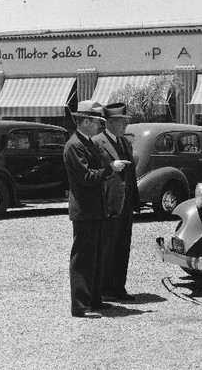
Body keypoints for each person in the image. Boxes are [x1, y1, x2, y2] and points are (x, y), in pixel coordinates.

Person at [64, 100, 127, 319]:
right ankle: (80, 306)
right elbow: (86, 176)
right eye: (97, 121)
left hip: (94, 208)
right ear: (86, 121)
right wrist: (109, 169)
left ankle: (94, 299)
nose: (100, 126)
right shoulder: (74, 145)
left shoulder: (86, 142)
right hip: (84, 210)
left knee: (95, 256)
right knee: (82, 258)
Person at [93, 102, 140, 302]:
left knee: (122, 246)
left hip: (126, 204)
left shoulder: (124, 143)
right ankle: (105, 289)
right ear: (110, 122)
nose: (125, 126)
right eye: (122, 122)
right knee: (107, 247)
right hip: (109, 204)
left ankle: (119, 287)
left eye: (125, 122)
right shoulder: (97, 142)